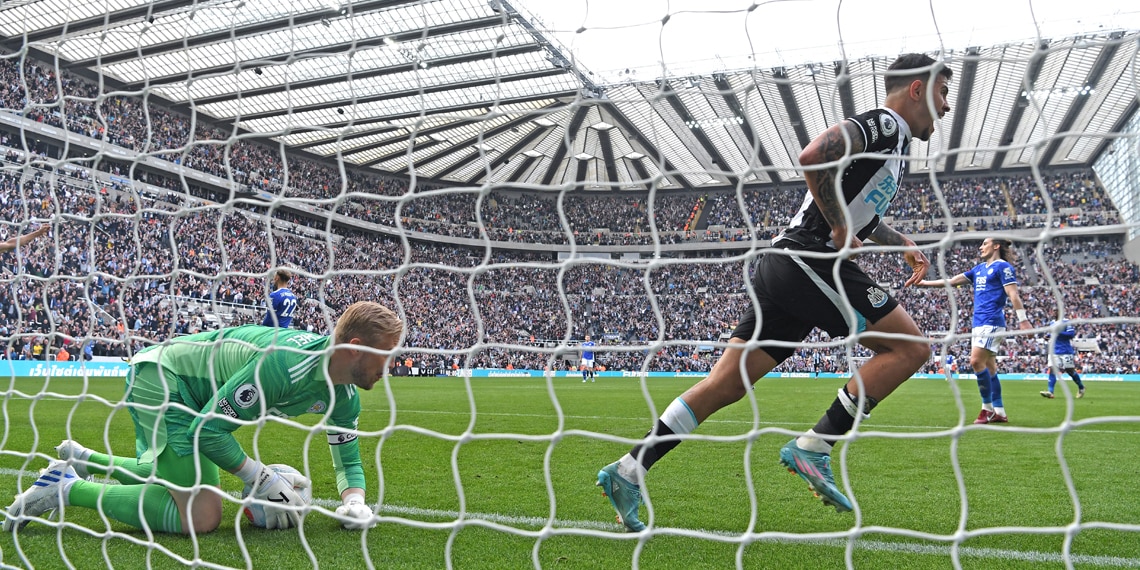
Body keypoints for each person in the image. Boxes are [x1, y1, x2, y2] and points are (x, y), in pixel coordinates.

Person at [595, 53, 950, 531]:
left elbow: (859, 211)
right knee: (910, 348)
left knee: (726, 385)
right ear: (916, 89)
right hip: (808, 261)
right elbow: (812, 156)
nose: (946, 107)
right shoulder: (885, 126)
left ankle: (628, 471)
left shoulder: (894, 147)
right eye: (943, 93)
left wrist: (899, 241)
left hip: (783, 268)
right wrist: (840, 224)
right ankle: (815, 446)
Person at [4, 301, 402, 534]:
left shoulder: (345, 398)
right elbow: (209, 432)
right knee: (201, 515)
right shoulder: (284, 365)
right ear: (354, 348)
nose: (391, 364)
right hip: (164, 378)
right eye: (386, 353)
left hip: (196, 397)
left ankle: (85, 459)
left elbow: (348, 461)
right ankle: (67, 486)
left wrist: (355, 502)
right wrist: (262, 479)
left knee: (175, 481)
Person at [917, 238, 1032, 424]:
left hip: (992, 322)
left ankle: (987, 409)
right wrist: (924, 284)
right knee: (989, 367)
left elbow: (1013, 294)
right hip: (978, 323)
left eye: (985, 244)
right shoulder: (978, 269)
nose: (980, 247)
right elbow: (953, 281)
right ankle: (1000, 411)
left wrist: (1023, 321)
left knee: (975, 361)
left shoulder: (1003, 267)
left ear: (996, 246)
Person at [1041, 319, 1085, 399]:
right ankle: (1050, 392)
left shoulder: (1066, 322)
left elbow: (1071, 334)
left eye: (1055, 310)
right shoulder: (1052, 322)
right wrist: (1048, 336)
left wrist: (1058, 332)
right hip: (1054, 350)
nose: (1054, 312)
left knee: (1070, 371)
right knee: (1052, 369)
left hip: (1065, 350)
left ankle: (1081, 387)